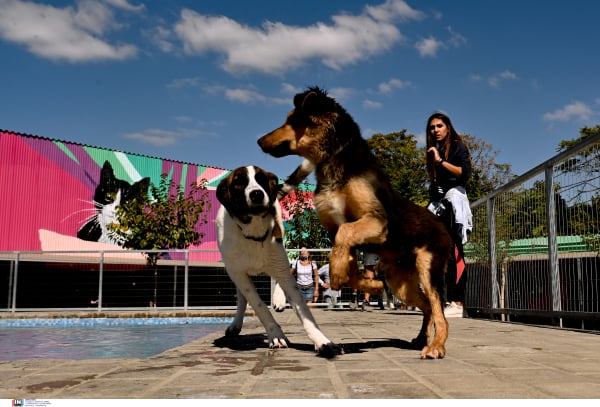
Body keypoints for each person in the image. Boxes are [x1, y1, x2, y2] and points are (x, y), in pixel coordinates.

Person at [425, 112, 473, 318]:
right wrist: (433, 190)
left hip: (454, 201)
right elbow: (438, 179)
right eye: (432, 127)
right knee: (438, 252)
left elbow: (465, 174)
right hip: (439, 204)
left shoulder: (457, 146)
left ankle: (458, 301)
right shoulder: (434, 150)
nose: (435, 130)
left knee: (454, 250)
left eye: (439, 126)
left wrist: (441, 162)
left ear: (448, 127)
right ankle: (442, 298)